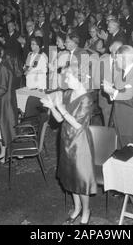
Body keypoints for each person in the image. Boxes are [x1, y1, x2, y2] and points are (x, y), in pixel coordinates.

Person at [40, 66, 96, 225]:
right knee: (70, 177)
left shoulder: (87, 98)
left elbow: (78, 125)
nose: (66, 81)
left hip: (80, 142)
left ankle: (86, 211)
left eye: (69, 78)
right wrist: (52, 107)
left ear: (80, 79)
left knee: (81, 180)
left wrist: (60, 107)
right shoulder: (68, 93)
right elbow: (59, 120)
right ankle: (77, 208)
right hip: (66, 139)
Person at [103, 45, 133, 148]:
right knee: (119, 157)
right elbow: (118, 93)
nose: (115, 60)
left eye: (117, 57)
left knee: (131, 159)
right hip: (118, 123)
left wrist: (114, 92)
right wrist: (110, 90)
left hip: (131, 127)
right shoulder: (122, 73)